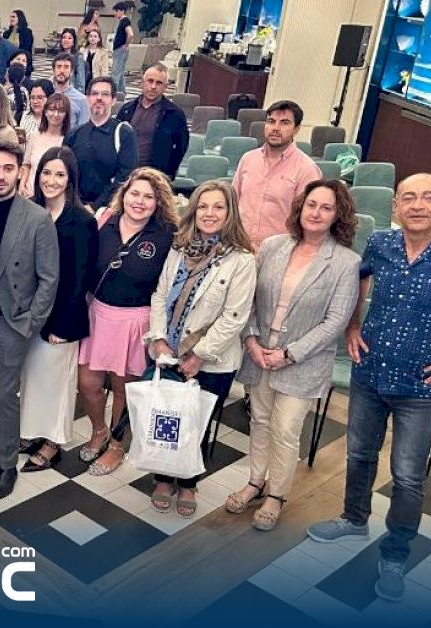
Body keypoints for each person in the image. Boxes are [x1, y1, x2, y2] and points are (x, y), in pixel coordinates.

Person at [307, 173, 431, 603]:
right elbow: (358, 281)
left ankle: (396, 554)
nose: (417, 205)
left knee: (407, 475)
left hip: (423, 386)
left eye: (428, 197)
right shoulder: (381, 243)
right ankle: (354, 519)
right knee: (359, 454)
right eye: (408, 197)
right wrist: (352, 326)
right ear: (396, 206)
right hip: (370, 373)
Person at [231, 180, 360, 531]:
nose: (316, 213)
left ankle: (276, 495)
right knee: (259, 421)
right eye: (311, 204)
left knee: (285, 430)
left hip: (303, 360)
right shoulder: (273, 246)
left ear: (338, 215)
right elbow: (248, 298)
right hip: (259, 353)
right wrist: (251, 341)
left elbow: (336, 321)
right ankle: (255, 482)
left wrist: (289, 354)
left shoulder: (346, 262)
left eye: (326, 207)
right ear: (300, 207)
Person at [141, 180, 257, 517]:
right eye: (203, 206)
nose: (209, 213)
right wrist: (158, 337)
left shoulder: (242, 259)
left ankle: (189, 482)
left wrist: (199, 355)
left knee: (196, 424)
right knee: (166, 419)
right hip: (170, 352)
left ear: (230, 212)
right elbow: (160, 294)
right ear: (193, 210)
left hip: (211, 360)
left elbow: (234, 317)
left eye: (218, 207)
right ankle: (163, 477)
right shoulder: (179, 248)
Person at [0, 142, 59, 499]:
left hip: (11, 321)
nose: (0, 176)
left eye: (7, 169)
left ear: (20, 172)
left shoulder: (36, 218)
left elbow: (49, 278)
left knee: (4, 394)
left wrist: (30, 322)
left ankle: (7, 464)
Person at [78, 168, 178, 476]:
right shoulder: (105, 221)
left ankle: (117, 445)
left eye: (149, 196)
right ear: (124, 194)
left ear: (158, 202)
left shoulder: (166, 235)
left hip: (136, 320)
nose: (140, 201)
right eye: (135, 193)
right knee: (88, 383)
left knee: (125, 389)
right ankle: (99, 430)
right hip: (98, 314)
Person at [19, 147, 98, 472]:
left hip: (61, 320)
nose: (51, 180)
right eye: (46, 173)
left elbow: (81, 279)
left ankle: (52, 443)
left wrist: (61, 326)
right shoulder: (30, 210)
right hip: (30, 316)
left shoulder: (81, 220)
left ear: (70, 179)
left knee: (56, 385)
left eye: (59, 174)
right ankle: (34, 432)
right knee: (33, 380)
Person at [233, 100, 321, 250]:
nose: (275, 128)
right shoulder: (248, 159)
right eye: (271, 121)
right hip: (239, 248)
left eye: (284, 123)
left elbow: (308, 221)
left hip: (278, 253)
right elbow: (233, 201)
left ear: (296, 129)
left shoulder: (307, 169)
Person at [65, 76, 137, 209]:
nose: (99, 98)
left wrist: (96, 206)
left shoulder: (124, 134)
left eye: (105, 94)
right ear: (87, 99)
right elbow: (65, 172)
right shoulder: (73, 134)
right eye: (94, 94)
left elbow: (124, 176)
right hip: (75, 207)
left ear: (113, 100)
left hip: (109, 210)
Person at [116, 63, 189, 179]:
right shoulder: (127, 109)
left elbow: (181, 148)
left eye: (159, 83)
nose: (153, 86)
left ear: (165, 87)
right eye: (150, 81)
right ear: (142, 82)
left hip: (154, 177)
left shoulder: (175, 115)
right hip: (125, 174)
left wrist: (167, 175)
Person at [22, 94, 71, 195]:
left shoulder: (68, 140)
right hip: (30, 193)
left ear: (66, 114)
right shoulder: (34, 136)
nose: (56, 114)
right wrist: (22, 185)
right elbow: (26, 165)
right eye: (52, 109)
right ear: (45, 111)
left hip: (53, 194)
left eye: (61, 111)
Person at [52, 53, 92, 130]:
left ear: (71, 71)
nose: (62, 71)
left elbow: (84, 130)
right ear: (54, 70)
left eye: (66, 67)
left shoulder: (82, 100)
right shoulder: (47, 94)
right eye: (59, 67)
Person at [76, 28, 113, 95]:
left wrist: (103, 82)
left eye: (95, 36)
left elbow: (104, 69)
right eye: (91, 36)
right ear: (88, 38)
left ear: (99, 39)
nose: (93, 38)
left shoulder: (103, 52)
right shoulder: (82, 50)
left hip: (96, 79)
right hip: (84, 79)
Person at [111, 2, 135, 96]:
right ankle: (122, 93)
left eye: (116, 11)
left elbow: (131, 34)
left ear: (122, 11)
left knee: (115, 72)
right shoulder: (123, 21)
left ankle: (113, 93)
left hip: (120, 50)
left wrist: (126, 44)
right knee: (120, 73)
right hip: (120, 50)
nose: (115, 13)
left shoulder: (125, 21)